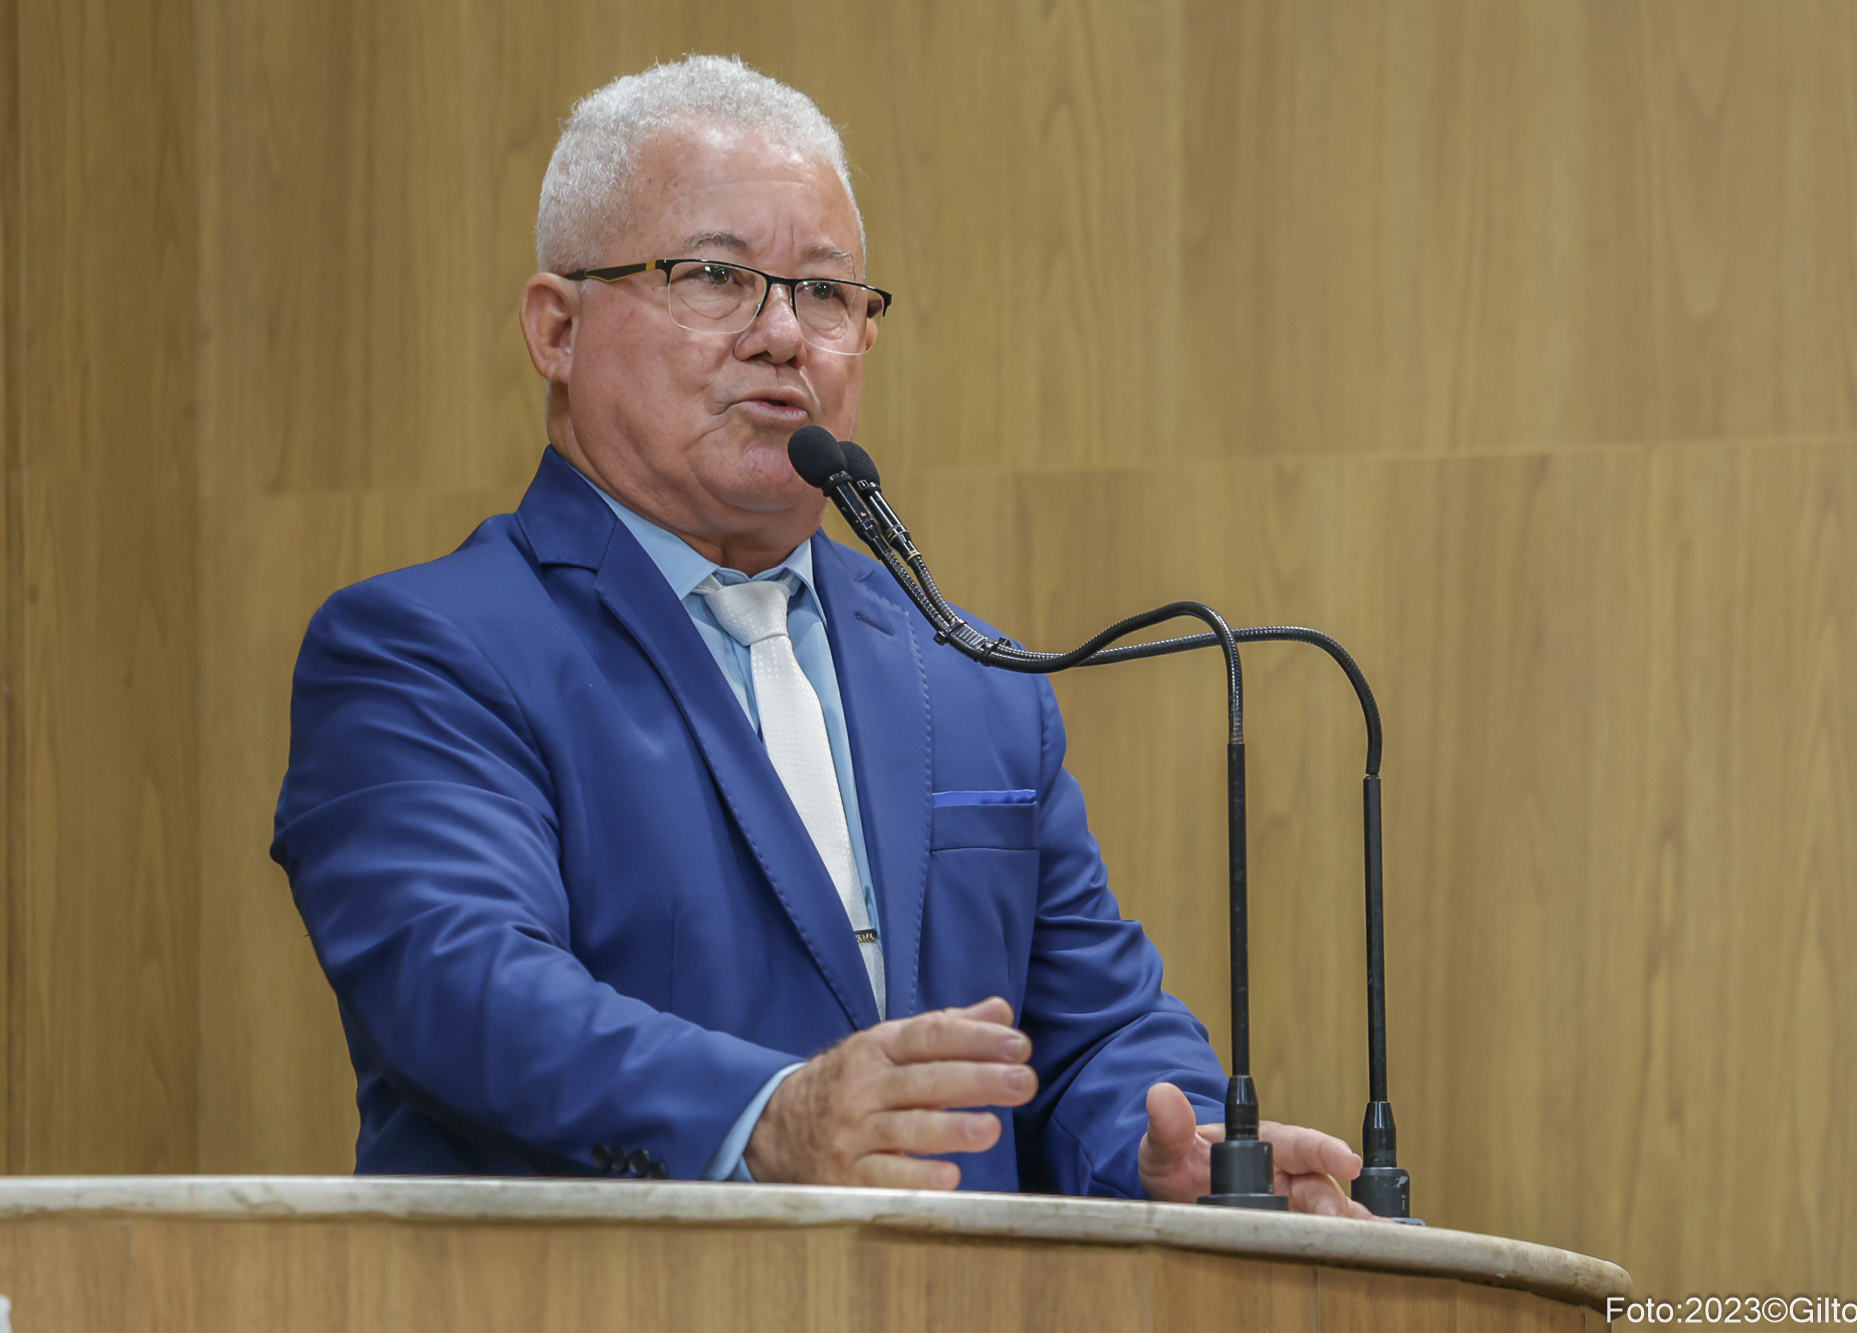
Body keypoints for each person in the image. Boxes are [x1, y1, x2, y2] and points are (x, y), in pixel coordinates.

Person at [272, 54, 1369, 1215]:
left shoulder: (973, 679)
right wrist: (764, 1115)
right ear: (557, 328)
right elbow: (462, 987)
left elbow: (1086, 1035)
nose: (784, 335)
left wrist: (1170, 1147)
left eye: (827, 294)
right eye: (715, 276)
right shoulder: (421, 651)